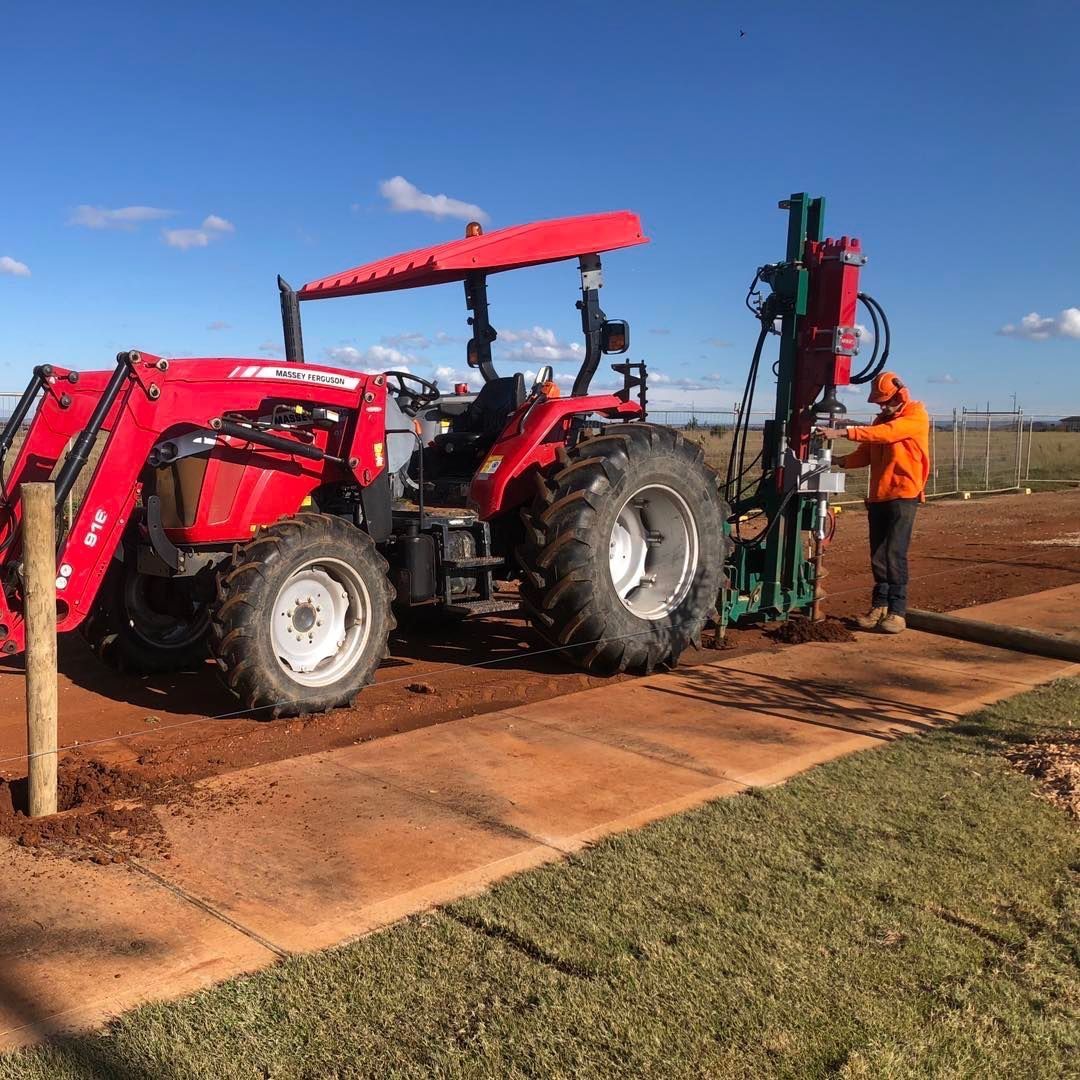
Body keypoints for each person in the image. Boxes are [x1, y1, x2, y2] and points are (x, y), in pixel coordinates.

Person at [821, 371, 930, 634]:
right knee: (878, 555)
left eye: (885, 401)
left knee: (894, 553)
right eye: (880, 403)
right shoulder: (882, 420)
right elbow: (866, 453)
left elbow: (887, 434)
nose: (882, 406)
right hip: (879, 496)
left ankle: (897, 611)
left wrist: (842, 432)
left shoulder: (915, 417)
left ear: (900, 394)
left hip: (904, 495)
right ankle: (879, 606)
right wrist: (838, 462)